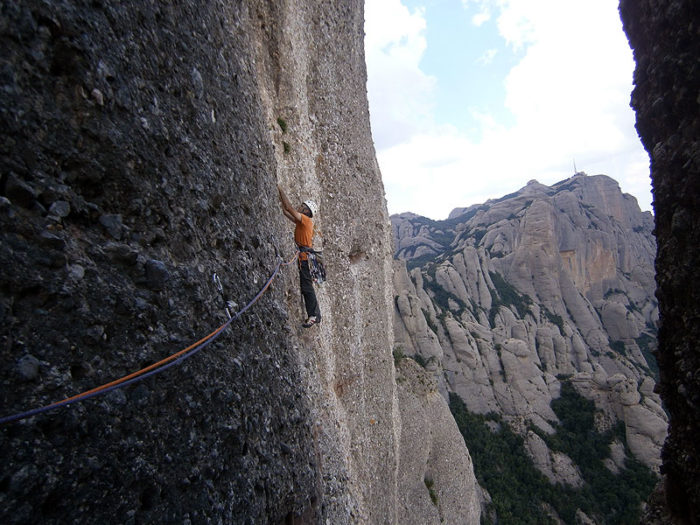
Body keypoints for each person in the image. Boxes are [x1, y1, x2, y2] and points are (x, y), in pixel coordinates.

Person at [278, 185, 321, 328]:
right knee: (306, 286)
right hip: (305, 257)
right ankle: (314, 314)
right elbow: (285, 211)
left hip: (306, 258)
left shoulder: (306, 220)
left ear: (307, 211)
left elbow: (290, 209)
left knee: (307, 287)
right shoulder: (302, 222)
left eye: (302, 206)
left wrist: (280, 188)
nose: (299, 207)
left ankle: (314, 315)